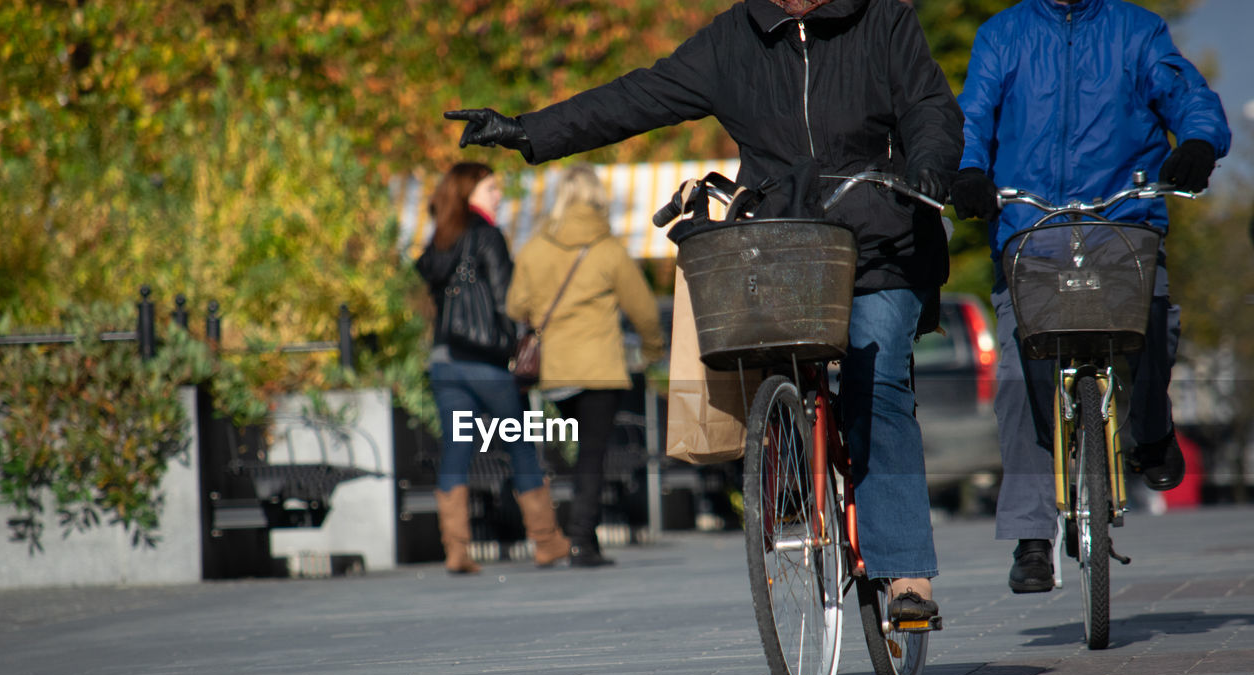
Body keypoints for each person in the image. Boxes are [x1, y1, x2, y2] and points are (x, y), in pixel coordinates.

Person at [448, 0, 963, 619]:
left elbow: (930, 106)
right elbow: (638, 96)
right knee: (761, 362)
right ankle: (791, 474)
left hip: (883, 239)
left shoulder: (884, 20)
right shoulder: (735, 39)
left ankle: (906, 572)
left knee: (875, 380)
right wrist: (529, 131)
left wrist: (931, 163)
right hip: (784, 243)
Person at [950, 0, 1231, 593]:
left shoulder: (1137, 31)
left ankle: (1152, 430)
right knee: (1014, 364)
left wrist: (1200, 142)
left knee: (1153, 315)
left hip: (1122, 218)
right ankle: (1032, 534)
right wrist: (969, 170)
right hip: (1031, 227)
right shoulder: (1003, 35)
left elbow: (1187, 94)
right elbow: (972, 114)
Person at [415, 162, 571, 574]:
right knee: (520, 447)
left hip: (445, 361)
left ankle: (457, 550)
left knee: (456, 449)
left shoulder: (439, 241)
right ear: (469, 194)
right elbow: (507, 301)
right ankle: (547, 542)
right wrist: (519, 341)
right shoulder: (488, 236)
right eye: (490, 188)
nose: (498, 195)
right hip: (486, 364)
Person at [507, 165, 666, 567]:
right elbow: (644, 310)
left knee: (574, 452)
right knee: (593, 454)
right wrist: (651, 350)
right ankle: (582, 541)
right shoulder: (608, 249)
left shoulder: (535, 247)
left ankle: (576, 533)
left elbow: (515, 306)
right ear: (597, 199)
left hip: (556, 371)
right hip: (600, 368)